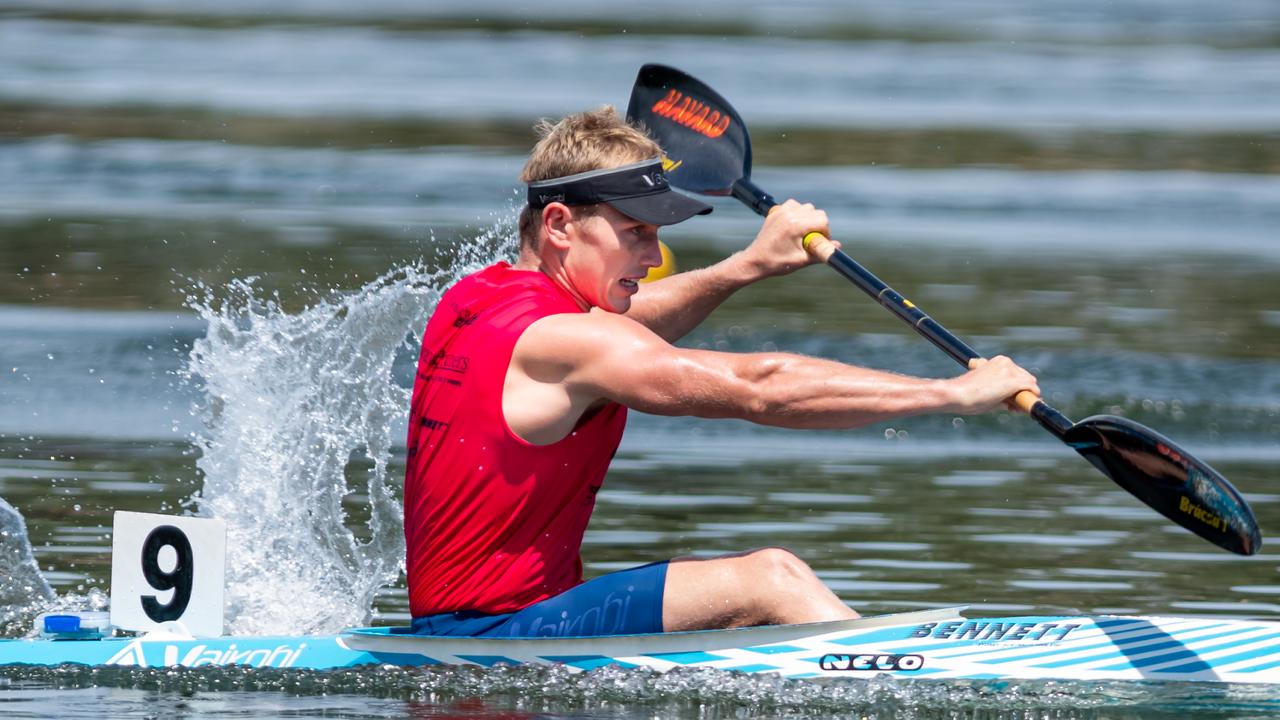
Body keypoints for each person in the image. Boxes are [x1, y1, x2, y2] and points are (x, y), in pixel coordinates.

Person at [402, 106, 1039, 639]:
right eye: (635, 232)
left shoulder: (478, 298)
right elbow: (758, 390)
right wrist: (950, 393)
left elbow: (630, 321)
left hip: (488, 617)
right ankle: (902, 674)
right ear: (561, 225)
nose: (651, 259)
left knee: (740, 615)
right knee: (771, 579)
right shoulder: (572, 340)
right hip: (498, 632)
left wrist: (747, 266)